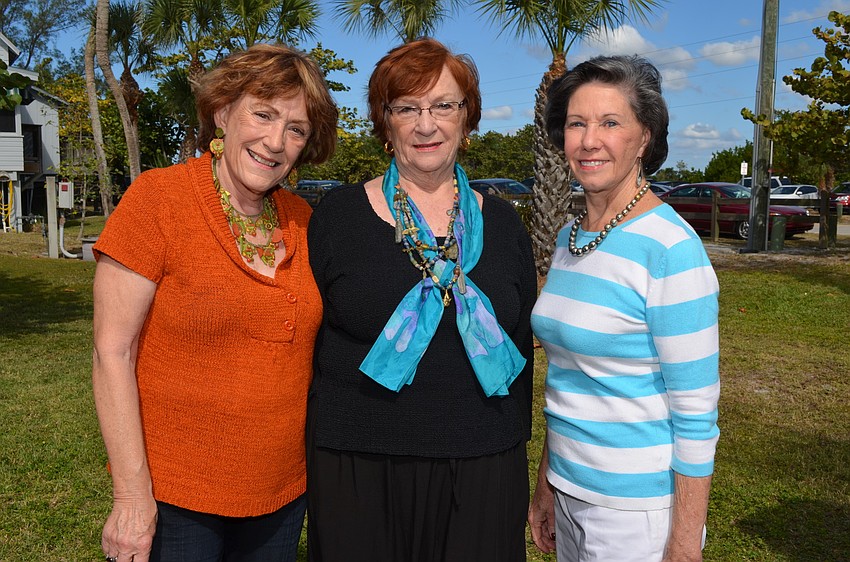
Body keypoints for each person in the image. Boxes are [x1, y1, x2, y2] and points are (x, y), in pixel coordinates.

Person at [91, 43, 337, 562]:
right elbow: (111, 352)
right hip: (176, 497)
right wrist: (132, 497)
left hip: (282, 495)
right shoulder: (157, 201)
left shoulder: (305, 220)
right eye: (263, 114)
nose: (275, 142)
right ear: (223, 112)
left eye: (296, 129)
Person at [306, 37, 536, 562]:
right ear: (385, 123)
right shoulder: (338, 218)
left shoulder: (503, 225)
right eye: (406, 108)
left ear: (467, 118)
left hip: (484, 461)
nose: (425, 124)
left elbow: (520, 343)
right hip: (358, 465)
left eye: (442, 106)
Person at [528, 55, 720, 562]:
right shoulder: (570, 240)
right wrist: (548, 483)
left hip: (637, 515)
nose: (590, 140)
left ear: (645, 138)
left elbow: (697, 418)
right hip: (569, 493)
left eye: (610, 123)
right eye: (576, 123)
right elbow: (568, 378)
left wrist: (683, 542)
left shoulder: (670, 249)